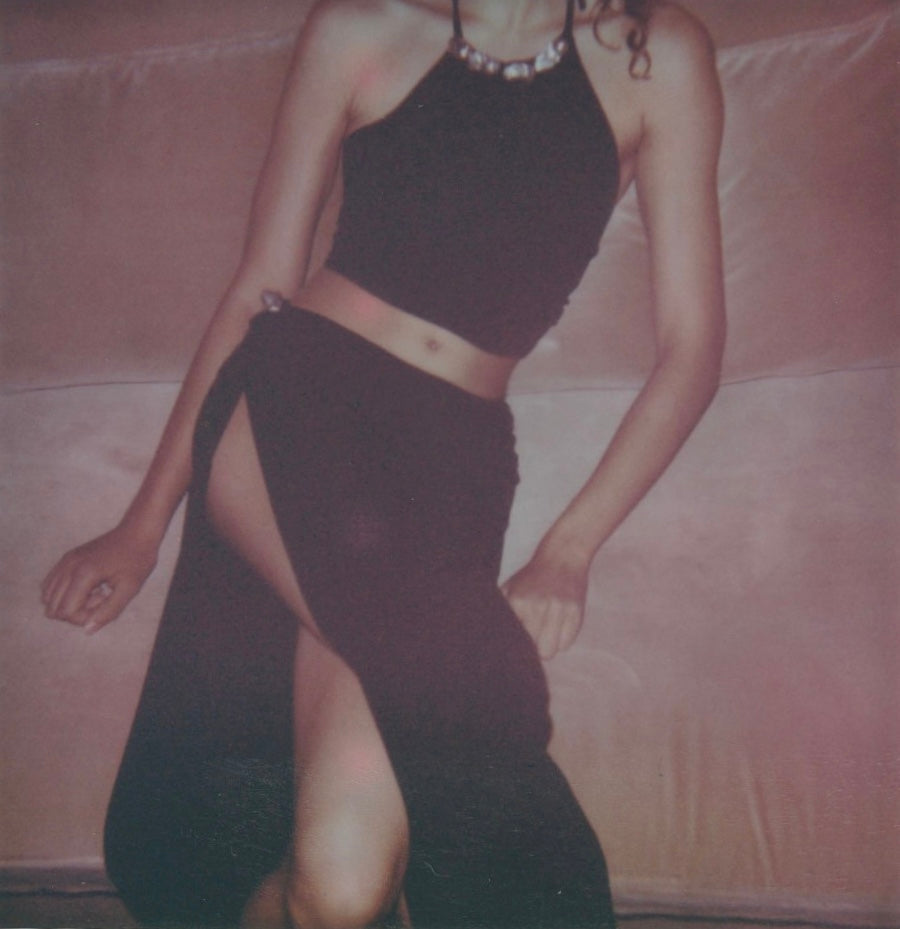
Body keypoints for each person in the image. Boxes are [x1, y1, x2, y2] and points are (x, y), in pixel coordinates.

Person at [41, 0, 724, 926]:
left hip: (447, 469)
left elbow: (692, 347)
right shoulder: (362, 26)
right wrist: (143, 523)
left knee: (344, 882)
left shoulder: (656, 56)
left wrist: (569, 548)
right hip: (298, 404)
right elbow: (257, 286)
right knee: (471, 707)